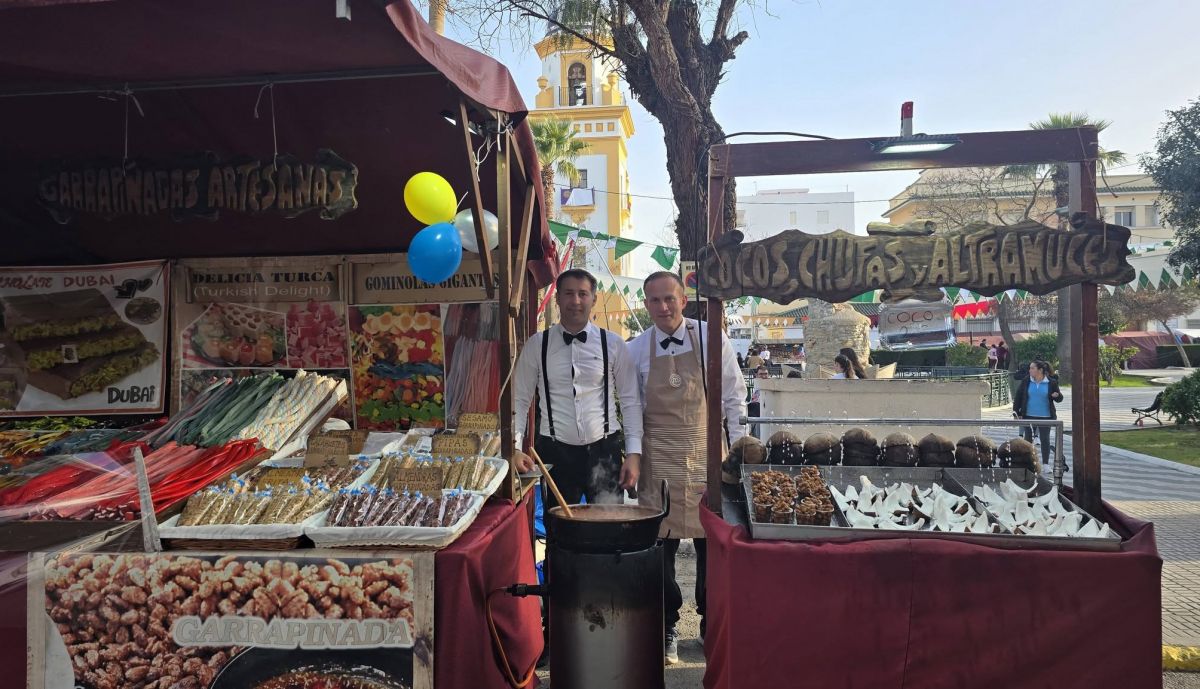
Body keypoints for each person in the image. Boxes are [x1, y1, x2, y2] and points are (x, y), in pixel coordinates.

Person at [630, 271, 747, 665]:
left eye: (670, 299)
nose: (663, 307)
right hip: (658, 455)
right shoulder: (635, 349)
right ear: (646, 304)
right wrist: (632, 454)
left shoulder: (712, 338)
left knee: (710, 544)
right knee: (658, 546)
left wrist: (739, 450)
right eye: (655, 300)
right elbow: (631, 407)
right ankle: (666, 626)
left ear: (683, 299)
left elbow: (734, 397)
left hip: (705, 452)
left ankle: (711, 623)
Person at [512, 268, 642, 506]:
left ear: (594, 299)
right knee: (559, 525)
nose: (575, 301)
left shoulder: (613, 344)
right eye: (569, 293)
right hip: (555, 452)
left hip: (604, 450)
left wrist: (633, 454)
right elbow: (519, 400)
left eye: (583, 294)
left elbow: (630, 401)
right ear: (557, 298)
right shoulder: (537, 345)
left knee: (609, 524)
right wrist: (514, 447)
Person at [1013, 360, 1064, 470]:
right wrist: (1016, 412)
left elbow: (1060, 398)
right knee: (1028, 439)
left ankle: (1045, 464)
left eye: (1032, 368)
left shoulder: (1051, 382)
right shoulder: (1026, 380)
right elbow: (1018, 396)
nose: (1029, 370)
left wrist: (1057, 396)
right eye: (1030, 368)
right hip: (1028, 415)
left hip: (1046, 416)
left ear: (1040, 370)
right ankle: (1028, 463)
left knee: (1045, 439)